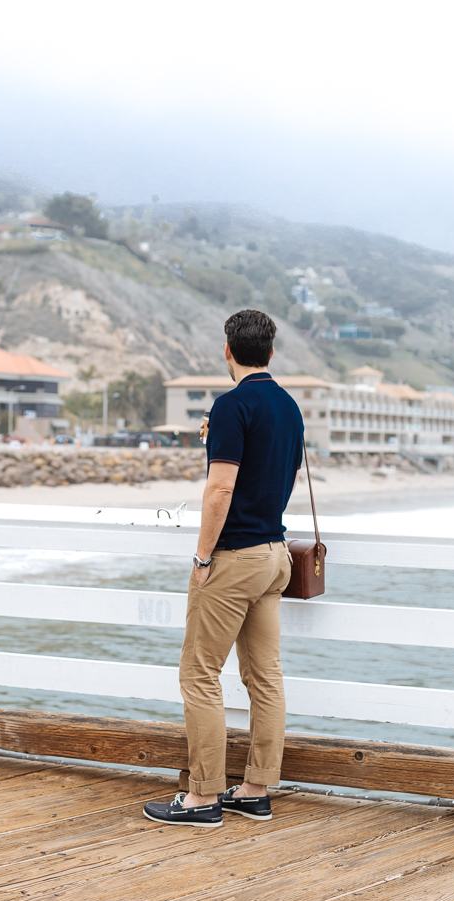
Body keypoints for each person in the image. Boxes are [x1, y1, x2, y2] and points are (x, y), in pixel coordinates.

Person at [144, 309, 304, 827]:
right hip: (274, 555)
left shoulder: (232, 404)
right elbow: (271, 468)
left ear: (227, 351)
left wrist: (202, 557)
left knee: (199, 674)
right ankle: (256, 789)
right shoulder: (288, 406)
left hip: (233, 557)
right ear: (272, 354)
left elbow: (220, 489)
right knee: (265, 677)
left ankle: (202, 797)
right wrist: (221, 435)